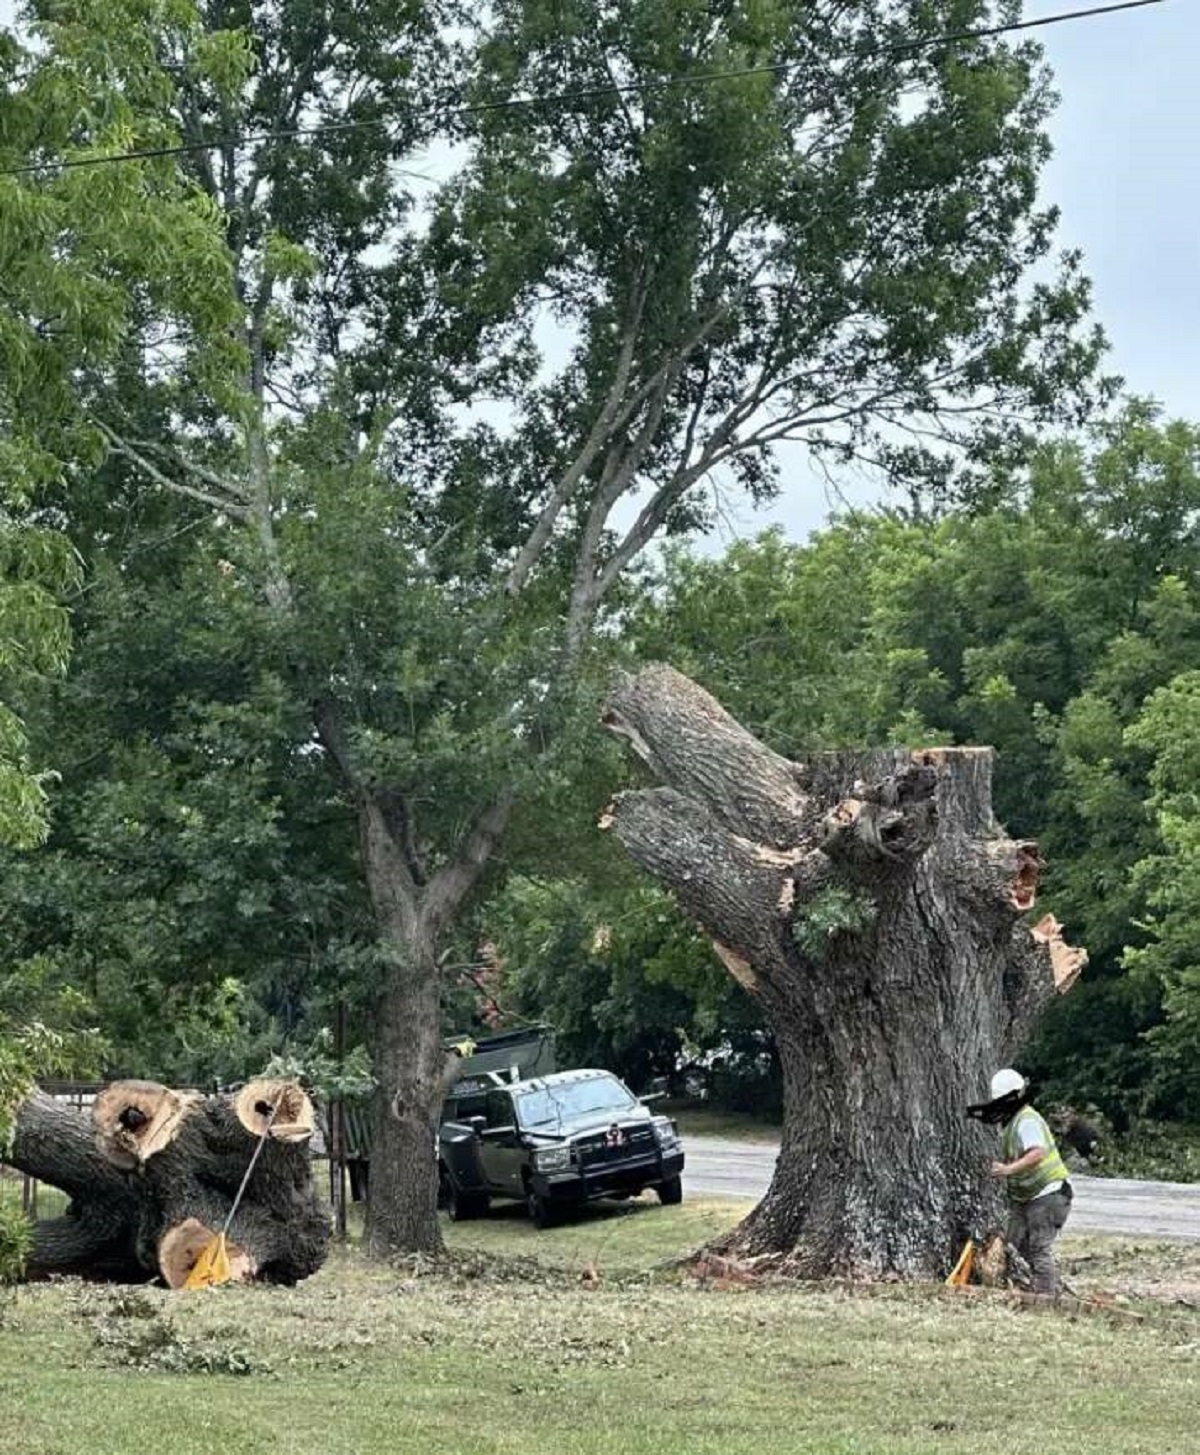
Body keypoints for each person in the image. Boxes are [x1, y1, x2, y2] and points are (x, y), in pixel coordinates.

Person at [970, 1067, 1073, 1296]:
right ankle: (1034, 1288)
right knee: (1015, 1243)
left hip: (1048, 1193)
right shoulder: (1012, 1121)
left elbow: (1037, 1153)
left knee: (1039, 1247)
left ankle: (1046, 1298)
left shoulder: (1026, 1120)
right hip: (1029, 1196)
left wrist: (1007, 1170)